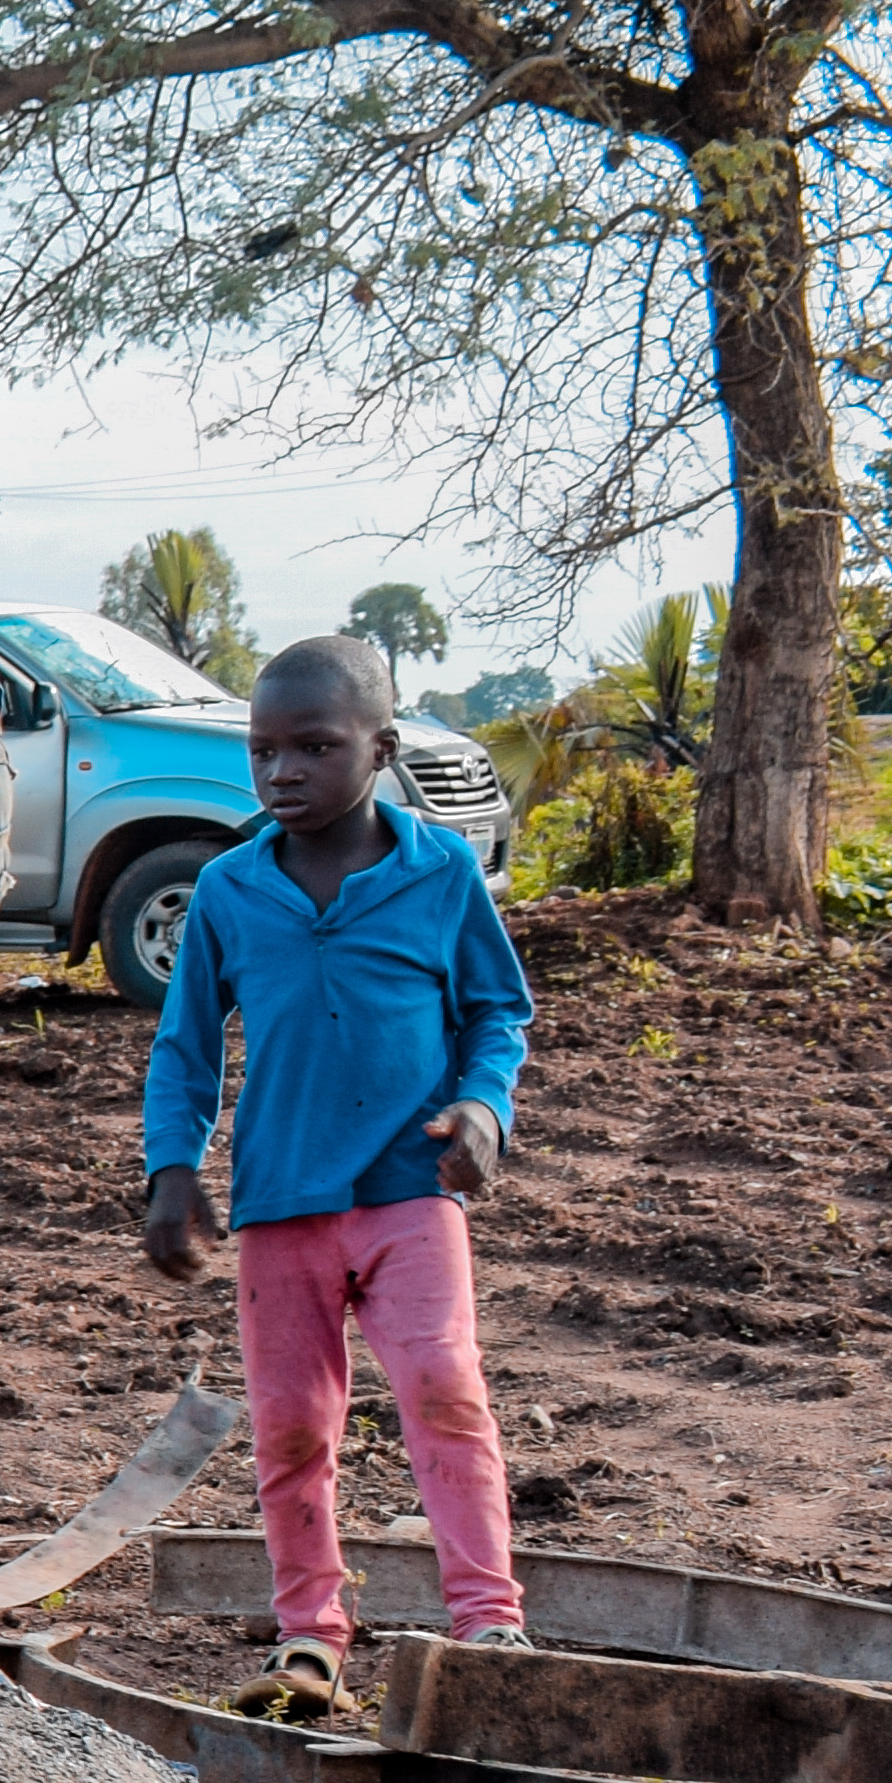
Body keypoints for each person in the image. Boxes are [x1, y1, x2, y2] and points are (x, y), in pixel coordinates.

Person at [135, 636, 540, 1689]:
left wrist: (483, 1110)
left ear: (382, 748)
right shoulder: (228, 890)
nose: (283, 773)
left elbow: (498, 1012)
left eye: (315, 746)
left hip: (412, 1186)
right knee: (292, 1423)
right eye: (264, 750)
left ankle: (488, 1625)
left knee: (445, 1387)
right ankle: (309, 1633)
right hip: (281, 1203)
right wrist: (173, 1166)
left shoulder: (440, 871)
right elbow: (185, 1043)